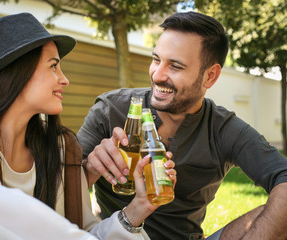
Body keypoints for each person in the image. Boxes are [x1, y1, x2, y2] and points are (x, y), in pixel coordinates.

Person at [0, 12, 177, 240]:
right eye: (53, 66)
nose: (64, 79)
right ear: (15, 72)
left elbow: (85, 231)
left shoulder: (59, 148)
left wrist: (139, 206)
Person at [77, 11, 287, 240]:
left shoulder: (224, 129)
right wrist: (89, 169)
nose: (157, 75)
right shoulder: (111, 110)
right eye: (156, 59)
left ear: (210, 76)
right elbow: (54, 192)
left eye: (175, 66)